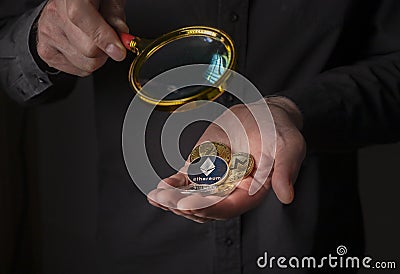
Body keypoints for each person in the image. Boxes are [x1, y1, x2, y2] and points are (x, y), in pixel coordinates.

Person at [1, 0, 400, 273]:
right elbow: (11, 60)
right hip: (141, 251)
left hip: (309, 249)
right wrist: (42, 37)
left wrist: (294, 110)